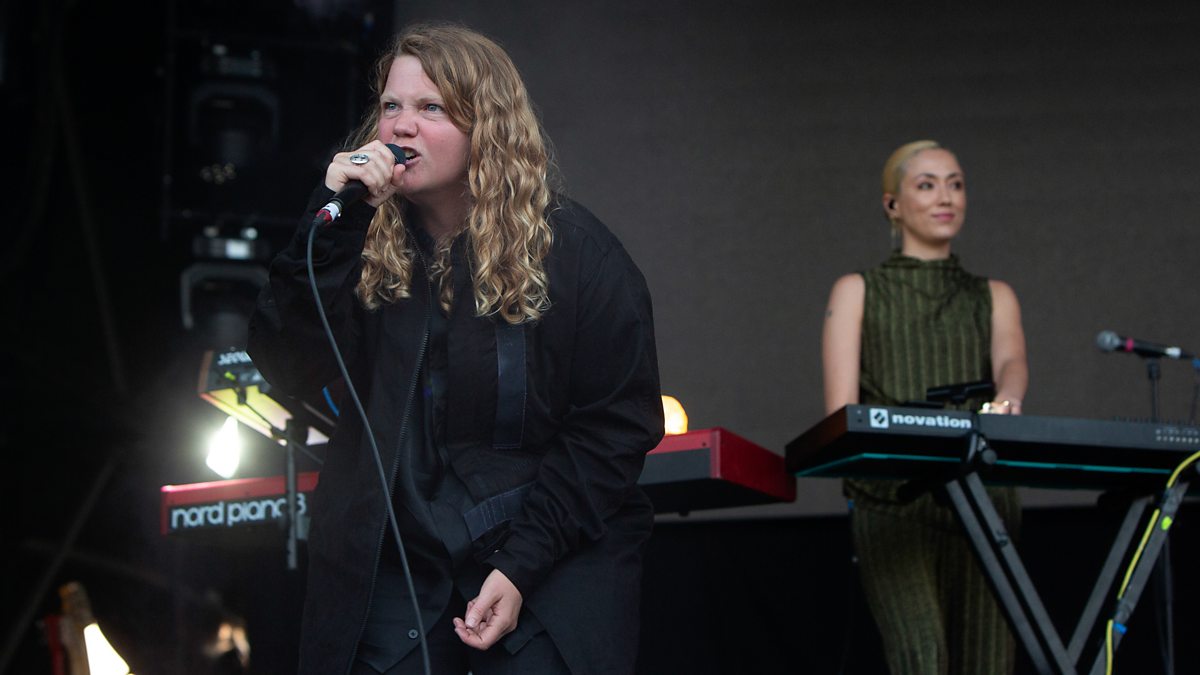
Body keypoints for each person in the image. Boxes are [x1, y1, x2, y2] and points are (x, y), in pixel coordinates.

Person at [247, 22, 663, 675]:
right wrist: (333, 219)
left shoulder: (579, 256)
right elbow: (288, 362)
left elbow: (613, 428)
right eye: (391, 106)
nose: (400, 126)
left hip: (545, 556)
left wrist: (522, 564)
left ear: (487, 129)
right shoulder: (356, 243)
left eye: (431, 108)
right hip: (397, 562)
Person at [820, 140, 1028, 674]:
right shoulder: (858, 290)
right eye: (927, 184)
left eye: (956, 184)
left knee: (990, 660)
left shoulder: (994, 294)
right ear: (893, 204)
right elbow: (841, 417)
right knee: (922, 657)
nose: (946, 197)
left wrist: (1008, 399)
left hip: (982, 494)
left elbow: (1012, 362)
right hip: (891, 498)